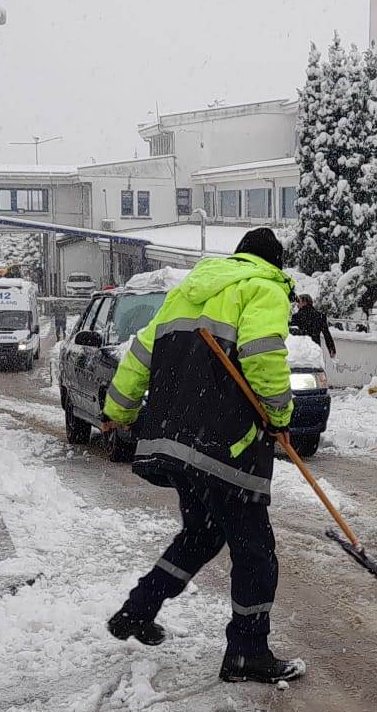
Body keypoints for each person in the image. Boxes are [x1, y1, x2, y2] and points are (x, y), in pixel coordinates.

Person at [100, 227, 304, 685]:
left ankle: (137, 611)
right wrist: (279, 414)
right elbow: (262, 354)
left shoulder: (184, 296)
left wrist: (118, 409)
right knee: (256, 554)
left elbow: (139, 354)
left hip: (177, 441)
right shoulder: (264, 288)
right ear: (275, 263)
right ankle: (247, 653)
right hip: (227, 446)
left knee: (202, 534)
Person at [290, 293, 337, 358]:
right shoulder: (320, 316)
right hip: (315, 350)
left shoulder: (296, 316)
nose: (297, 304)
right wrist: (331, 349)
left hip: (301, 351)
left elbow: (291, 333)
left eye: (299, 301)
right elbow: (327, 334)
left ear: (305, 302)